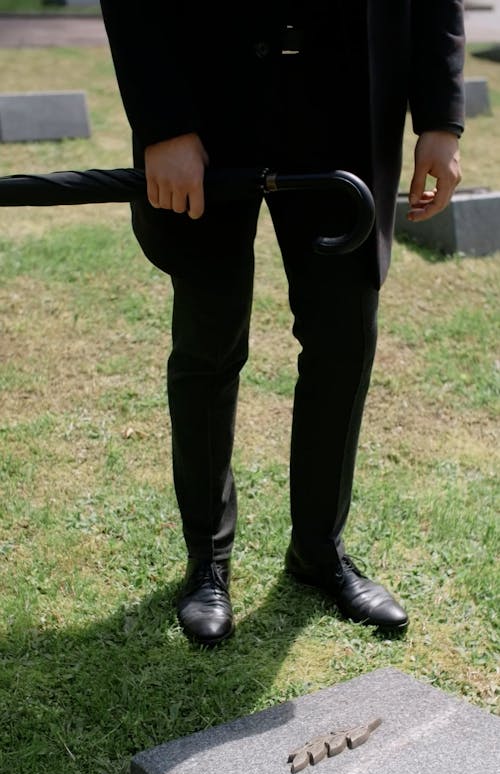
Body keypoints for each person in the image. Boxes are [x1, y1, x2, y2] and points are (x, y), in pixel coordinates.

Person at [99, 3, 465, 645]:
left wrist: (440, 117)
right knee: (208, 339)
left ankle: (319, 550)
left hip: (347, 96)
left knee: (344, 338)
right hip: (209, 89)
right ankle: (207, 563)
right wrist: (165, 122)